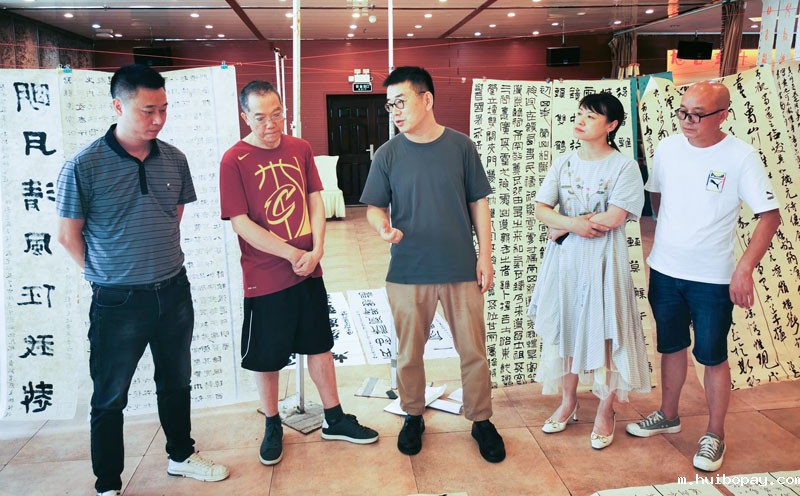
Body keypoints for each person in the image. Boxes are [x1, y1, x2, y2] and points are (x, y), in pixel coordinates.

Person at [56, 64, 229, 496]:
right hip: (117, 301)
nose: (158, 119)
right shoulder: (83, 166)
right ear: (118, 106)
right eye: (147, 110)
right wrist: (106, 275)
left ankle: (181, 455)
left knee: (176, 380)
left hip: (173, 290)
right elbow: (68, 235)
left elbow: (173, 216)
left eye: (163, 109)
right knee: (110, 395)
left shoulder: (174, 158)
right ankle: (108, 483)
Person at [219, 80, 378, 466]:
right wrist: (291, 253)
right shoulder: (234, 160)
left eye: (277, 115)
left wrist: (317, 248)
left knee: (319, 343)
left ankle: (334, 417)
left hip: (308, 269)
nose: (270, 124)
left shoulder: (300, 148)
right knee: (267, 355)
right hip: (264, 274)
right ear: (245, 117)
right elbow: (241, 223)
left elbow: (313, 199)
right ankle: (272, 423)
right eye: (260, 117)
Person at [626, 81, 781, 472]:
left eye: (697, 114)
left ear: (723, 115)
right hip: (665, 269)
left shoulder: (740, 156)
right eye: (683, 112)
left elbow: (769, 216)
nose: (687, 120)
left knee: (712, 354)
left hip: (713, 277)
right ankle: (668, 414)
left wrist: (744, 269)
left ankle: (715, 433)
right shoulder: (667, 148)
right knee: (670, 346)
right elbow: (657, 198)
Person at [360, 66, 505, 463]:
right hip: (408, 271)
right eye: (389, 105)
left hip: (460, 268)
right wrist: (382, 227)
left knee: (473, 351)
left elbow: (479, 203)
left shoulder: (461, 147)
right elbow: (374, 207)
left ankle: (481, 419)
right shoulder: (388, 154)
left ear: (427, 99)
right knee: (409, 353)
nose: (395, 111)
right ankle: (412, 414)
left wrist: (485, 255)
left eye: (401, 102)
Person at [528, 92, 650, 450]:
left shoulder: (624, 166)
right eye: (580, 114)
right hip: (565, 262)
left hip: (604, 262)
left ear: (612, 125)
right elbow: (541, 208)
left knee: (607, 332)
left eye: (591, 116)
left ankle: (605, 410)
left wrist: (563, 226)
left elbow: (615, 217)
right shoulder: (564, 162)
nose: (580, 121)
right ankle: (568, 402)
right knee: (567, 326)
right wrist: (569, 225)